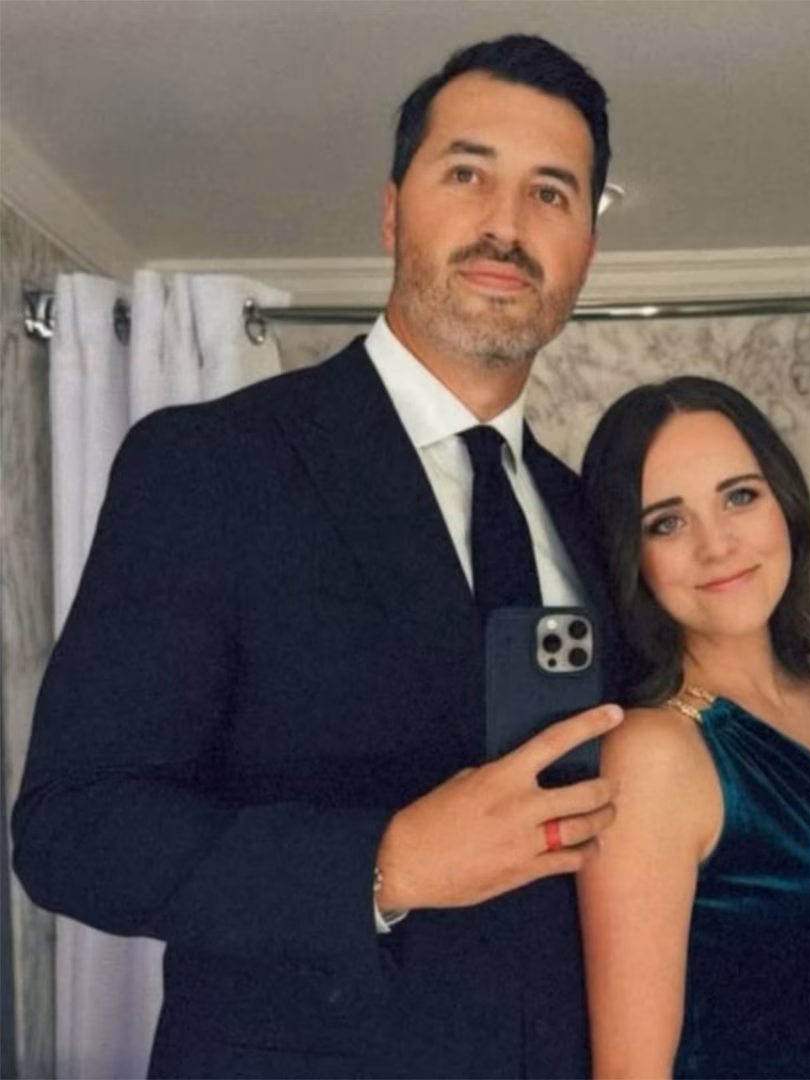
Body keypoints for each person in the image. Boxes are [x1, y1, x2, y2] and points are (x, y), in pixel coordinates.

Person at [12, 35, 625, 1079]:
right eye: (467, 173)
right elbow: (75, 831)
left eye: (551, 193)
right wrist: (386, 864)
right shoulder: (211, 464)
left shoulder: (589, 516)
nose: (506, 224)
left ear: (585, 250)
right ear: (393, 211)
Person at [577, 376, 810, 1080]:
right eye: (667, 522)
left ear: (785, 503)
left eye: (740, 497)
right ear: (631, 556)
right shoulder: (654, 755)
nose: (717, 545)